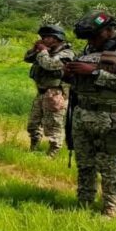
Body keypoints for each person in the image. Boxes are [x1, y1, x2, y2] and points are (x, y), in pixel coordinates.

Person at [63, 11, 116, 219]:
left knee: (109, 166)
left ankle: (110, 207)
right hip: (82, 114)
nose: (91, 41)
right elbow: (80, 80)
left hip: (109, 117)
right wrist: (70, 74)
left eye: (95, 36)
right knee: (85, 163)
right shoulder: (88, 49)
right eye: (88, 38)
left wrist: (94, 71)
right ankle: (84, 202)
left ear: (109, 31)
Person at [23, 23, 74, 156]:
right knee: (33, 124)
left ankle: (53, 153)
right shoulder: (46, 51)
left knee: (54, 126)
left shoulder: (66, 53)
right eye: (43, 37)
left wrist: (43, 51)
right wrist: (35, 49)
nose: (43, 39)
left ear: (56, 38)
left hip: (55, 94)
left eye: (47, 37)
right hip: (41, 93)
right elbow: (27, 59)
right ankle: (33, 147)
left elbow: (49, 65)